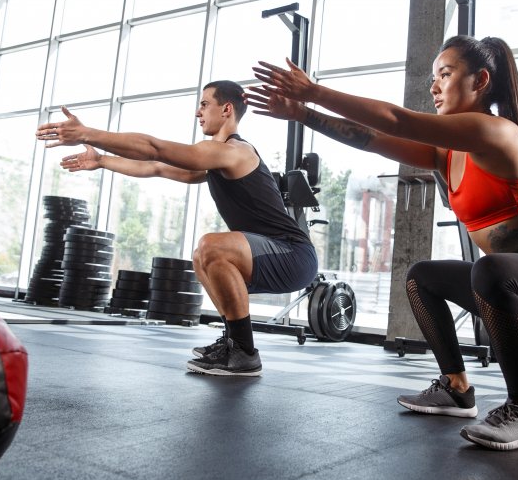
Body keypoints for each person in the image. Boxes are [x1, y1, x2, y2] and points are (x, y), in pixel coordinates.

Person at [248, 36, 518, 450]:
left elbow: (396, 120)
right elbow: (371, 137)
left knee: (489, 268)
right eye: (432, 77)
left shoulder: (497, 132)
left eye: (446, 75)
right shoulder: (448, 152)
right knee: (423, 276)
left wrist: (314, 91)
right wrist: (302, 114)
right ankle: (456, 387)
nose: (433, 87)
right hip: (510, 285)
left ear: (481, 81)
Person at [36, 80, 318, 377]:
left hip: (293, 256)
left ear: (226, 109)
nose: (198, 112)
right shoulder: (216, 158)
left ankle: (245, 353)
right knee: (201, 256)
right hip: (270, 255)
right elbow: (155, 166)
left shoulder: (236, 151)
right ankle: (233, 342)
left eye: (204, 104)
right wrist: (103, 160)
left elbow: (154, 149)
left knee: (212, 245)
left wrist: (87, 133)